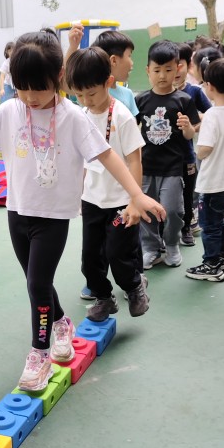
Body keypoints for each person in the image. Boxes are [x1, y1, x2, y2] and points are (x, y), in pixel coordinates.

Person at [0, 30, 165, 393]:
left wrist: (136, 194)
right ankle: (60, 323)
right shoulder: (11, 110)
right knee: (39, 284)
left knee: (36, 284)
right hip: (17, 212)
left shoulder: (73, 117)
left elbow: (107, 155)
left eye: (39, 88)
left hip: (53, 218)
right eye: (22, 88)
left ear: (58, 78)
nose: (30, 96)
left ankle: (39, 353)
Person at [65, 46, 149, 322]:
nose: (85, 100)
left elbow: (135, 160)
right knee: (90, 258)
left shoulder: (122, 116)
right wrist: (77, 193)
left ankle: (135, 287)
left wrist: (134, 201)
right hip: (92, 201)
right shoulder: (82, 115)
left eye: (91, 93)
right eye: (79, 95)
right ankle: (104, 298)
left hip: (120, 203)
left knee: (118, 255)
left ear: (108, 82)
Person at [135, 40, 201, 269]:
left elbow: (190, 135)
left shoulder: (184, 100)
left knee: (173, 210)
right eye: (157, 70)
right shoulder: (140, 100)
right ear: (148, 71)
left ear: (178, 69)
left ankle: (172, 244)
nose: (162, 75)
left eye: (168, 69)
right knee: (147, 211)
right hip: (146, 166)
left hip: (173, 167)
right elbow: (132, 131)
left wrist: (188, 128)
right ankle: (150, 247)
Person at [185, 59, 224, 281]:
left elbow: (205, 149)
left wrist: (197, 150)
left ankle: (211, 264)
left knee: (208, 225)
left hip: (213, 181)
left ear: (210, 86)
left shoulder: (212, 115)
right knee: (218, 220)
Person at [176, 43, 211, 246]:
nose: (174, 71)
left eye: (179, 64)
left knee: (189, 189)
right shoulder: (158, 94)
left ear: (188, 65)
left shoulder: (194, 92)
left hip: (189, 150)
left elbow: (210, 113)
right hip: (166, 154)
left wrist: (194, 125)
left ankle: (188, 224)